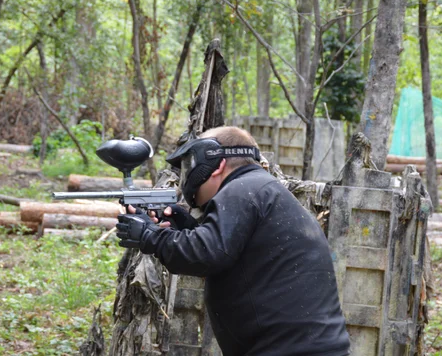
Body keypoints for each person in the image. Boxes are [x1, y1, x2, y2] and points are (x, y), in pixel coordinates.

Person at [116, 126, 351, 356]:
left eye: (190, 165)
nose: (186, 178)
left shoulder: (242, 189)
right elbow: (226, 255)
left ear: (216, 165)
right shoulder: (258, 189)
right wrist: (188, 228)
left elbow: (206, 254)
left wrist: (150, 236)